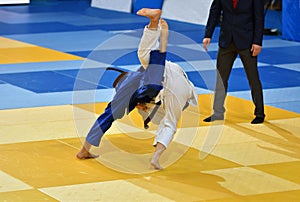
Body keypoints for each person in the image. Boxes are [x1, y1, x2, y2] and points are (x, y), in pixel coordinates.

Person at [76, 8, 198, 170]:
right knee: (169, 122)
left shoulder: (132, 84)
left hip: (166, 83)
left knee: (113, 113)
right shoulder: (136, 78)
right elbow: (159, 56)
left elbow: (159, 56)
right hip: (173, 84)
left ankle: (84, 150)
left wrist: (164, 36)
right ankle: (155, 158)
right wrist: (164, 35)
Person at [202, 0, 266, 124]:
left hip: (247, 42)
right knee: (221, 78)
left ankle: (259, 113)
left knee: (253, 78)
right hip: (226, 40)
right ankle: (218, 112)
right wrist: (208, 34)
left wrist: (258, 42)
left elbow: (259, 17)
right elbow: (214, 12)